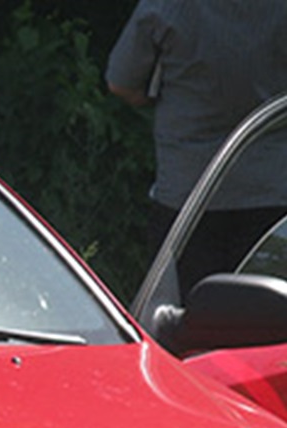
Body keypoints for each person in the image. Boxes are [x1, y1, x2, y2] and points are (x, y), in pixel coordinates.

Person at [107, 0, 287, 298]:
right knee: (271, 322)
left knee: (184, 323)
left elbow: (122, 83)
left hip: (188, 194)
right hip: (272, 191)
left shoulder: (167, 5)